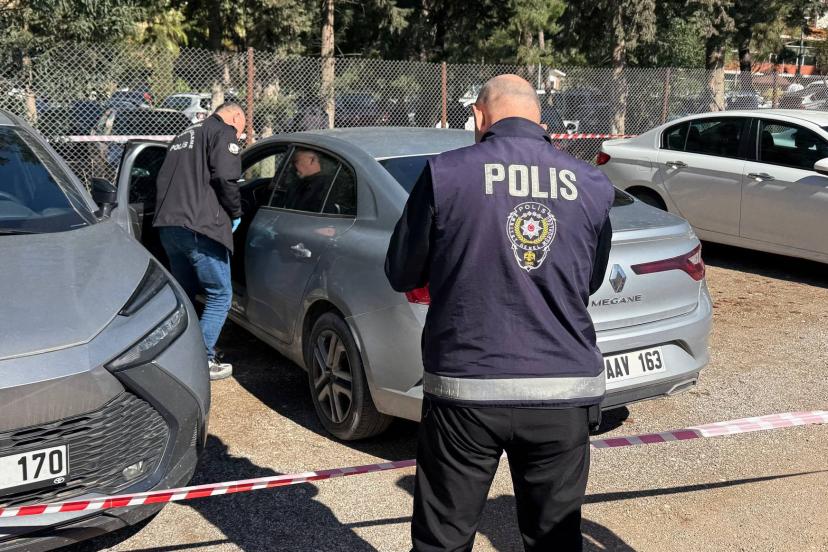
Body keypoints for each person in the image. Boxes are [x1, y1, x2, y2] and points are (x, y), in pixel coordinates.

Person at [385, 74, 614, 552]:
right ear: (540, 119)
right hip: (563, 389)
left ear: (478, 115)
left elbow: (402, 271)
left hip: (466, 389)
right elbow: (588, 281)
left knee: (442, 541)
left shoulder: (445, 173)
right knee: (555, 541)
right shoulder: (592, 182)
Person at [153, 102, 246, 381]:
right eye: (241, 129)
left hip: (168, 226)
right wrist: (236, 212)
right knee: (220, 295)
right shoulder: (222, 132)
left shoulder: (184, 135)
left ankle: (179, 354)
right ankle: (201, 360)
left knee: (185, 294)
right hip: (199, 228)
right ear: (235, 116)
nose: (240, 135)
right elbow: (226, 177)